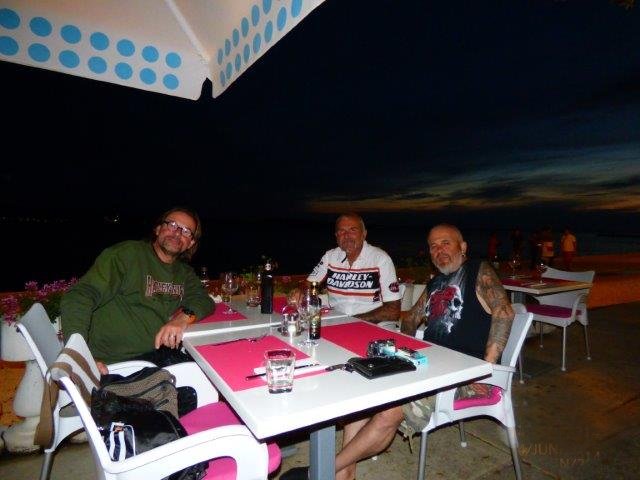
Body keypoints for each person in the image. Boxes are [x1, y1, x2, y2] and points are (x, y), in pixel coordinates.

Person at [281, 213, 403, 480]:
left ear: (364, 233)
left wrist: (354, 321)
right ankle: (343, 466)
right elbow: (310, 283)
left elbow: (393, 310)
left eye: (352, 230)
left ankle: (337, 466)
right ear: (335, 236)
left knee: (352, 373)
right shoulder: (331, 256)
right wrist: (301, 290)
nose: (346, 235)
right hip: (338, 327)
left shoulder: (380, 259)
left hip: (374, 328)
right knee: (304, 355)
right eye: (341, 231)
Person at [61, 207, 214, 373]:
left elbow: (203, 300)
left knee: (213, 366)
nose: (177, 233)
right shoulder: (127, 255)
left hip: (156, 356)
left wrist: (182, 319)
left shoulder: (184, 272)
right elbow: (79, 296)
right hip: (115, 364)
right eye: (172, 225)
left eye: (185, 231)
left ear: (190, 243)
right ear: (158, 229)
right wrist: (81, 355)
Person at [399, 224, 514, 438]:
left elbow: (504, 312)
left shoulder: (478, 270)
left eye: (445, 243)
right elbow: (410, 319)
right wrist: (405, 353)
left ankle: (339, 462)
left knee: (389, 407)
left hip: (468, 375)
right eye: (433, 246)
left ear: (463, 247)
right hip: (434, 366)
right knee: (373, 388)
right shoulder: (435, 283)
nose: (439, 250)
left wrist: (484, 372)